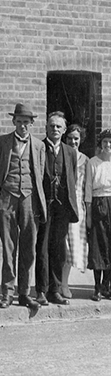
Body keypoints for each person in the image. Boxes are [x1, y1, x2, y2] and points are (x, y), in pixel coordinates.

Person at [0, 103, 46, 310]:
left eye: (26, 122)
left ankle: (24, 293)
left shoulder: (39, 146)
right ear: (13, 122)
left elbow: (41, 175)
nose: (22, 126)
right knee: (9, 247)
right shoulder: (1, 143)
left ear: (32, 124)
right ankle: (7, 293)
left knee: (29, 247)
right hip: (7, 198)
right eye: (19, 122)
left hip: (29, 199)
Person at [34, 112, 78, 306]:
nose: (55, 130)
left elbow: (72, 178)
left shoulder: (69, 151)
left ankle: (55, 289)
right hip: (44, 206)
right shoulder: (38, 147)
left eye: (59, 127)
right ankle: (41, 291)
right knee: (42, 248)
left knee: (59, 249)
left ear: (64, 130)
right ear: (46, 128)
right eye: (52, 126)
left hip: (62, 208)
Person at [61, 124, 89, 298]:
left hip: (77, 206)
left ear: (81, 140)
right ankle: (56, 284)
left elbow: (87, 187)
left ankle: (64, 283)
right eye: (70, 138)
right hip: (61, 205)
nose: (73, 141)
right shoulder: (61, 155)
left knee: (71, 248)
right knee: (60, 247)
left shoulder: (85, 160)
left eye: (76, 138)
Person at [85, 129, 111, 301]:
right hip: (97, 203)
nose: (108, 145)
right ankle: (97, 288)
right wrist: (88, 214)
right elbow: (88, 187)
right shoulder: (93, 162)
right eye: (105, 142)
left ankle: (106, 286)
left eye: (110, 142)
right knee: (97, 245)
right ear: (100, 144)